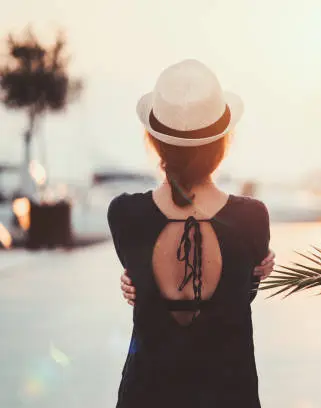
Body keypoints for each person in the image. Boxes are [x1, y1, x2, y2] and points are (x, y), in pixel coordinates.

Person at [107, 59, 272, 407]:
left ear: (154, 141)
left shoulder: (125, 215)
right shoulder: (252, 219)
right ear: (223, 142)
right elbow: (241, 294)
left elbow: (143, 284)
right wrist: (255, 269)